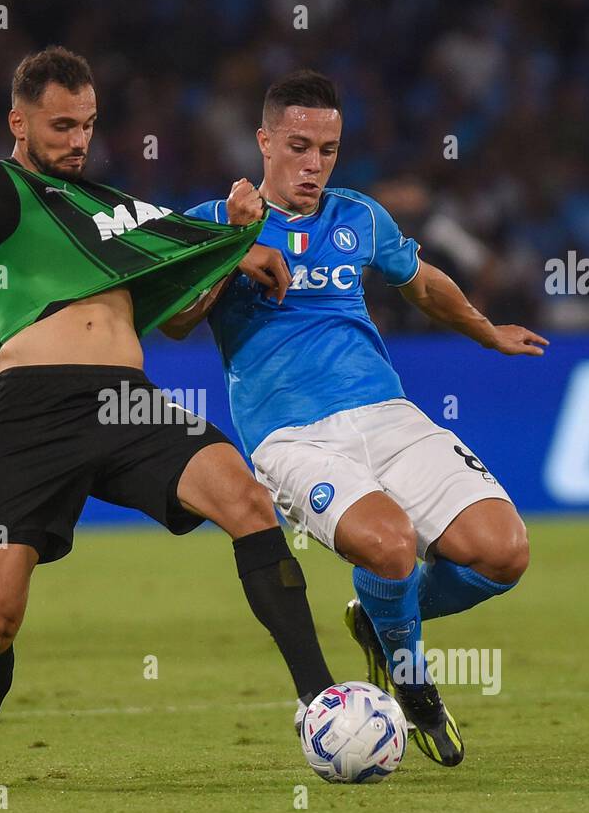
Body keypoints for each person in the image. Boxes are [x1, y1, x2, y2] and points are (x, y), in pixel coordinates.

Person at [0, 17, 334, 791]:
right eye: (61, 125)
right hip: (31, 414)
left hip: (126, 404)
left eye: (87, 124)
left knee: (246, 499)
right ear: (19, 122)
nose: (77, 139)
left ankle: (322, 701)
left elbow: (184, 316)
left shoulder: (113, 212)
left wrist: (232, 238)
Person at [174, 71, 548, 766]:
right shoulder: (215, 220)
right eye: (298, 146)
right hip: (292, 437)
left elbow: (423, 283)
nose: (313, 164)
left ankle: (378, 624)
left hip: (387, 414)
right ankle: (413, 681)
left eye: (328, 149)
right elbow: (174, 321)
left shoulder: (360, 217)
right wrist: (233, 244)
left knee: (504, 551)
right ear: (263, 142)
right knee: (391, 544)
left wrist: (486, 330)